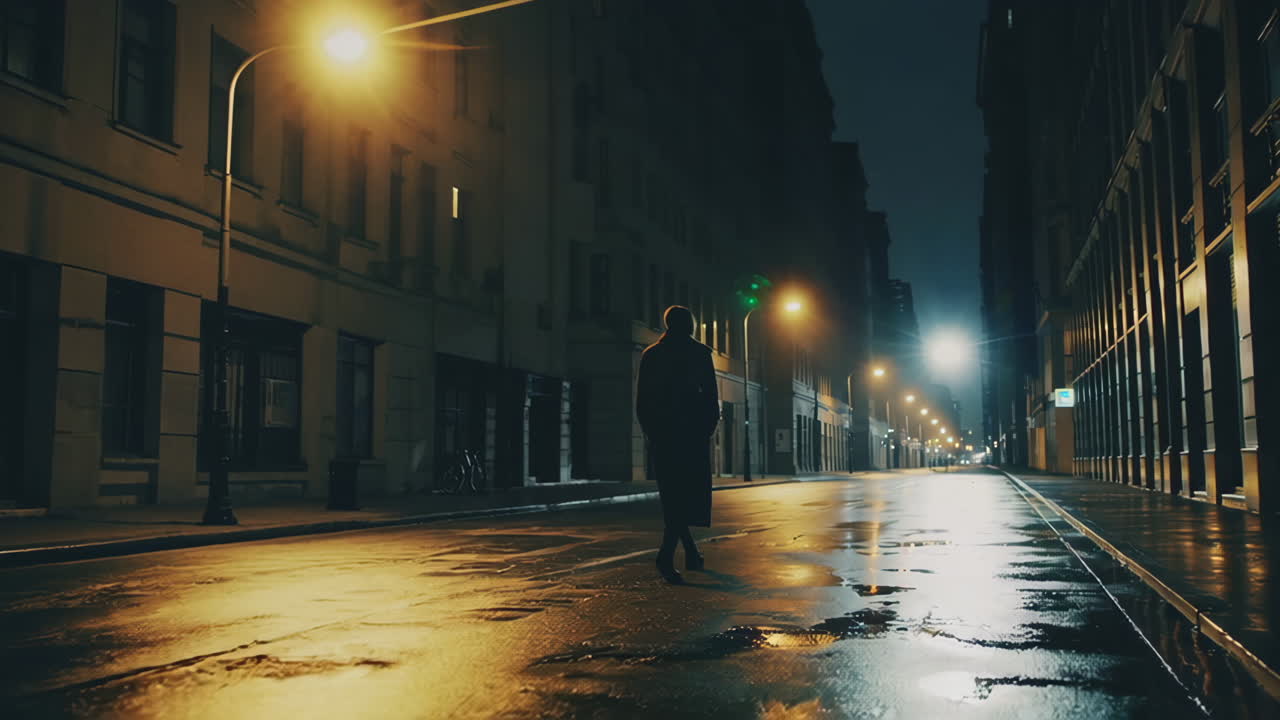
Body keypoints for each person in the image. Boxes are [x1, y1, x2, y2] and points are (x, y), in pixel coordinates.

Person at [635, 305, 721, 584]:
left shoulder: (652, 355)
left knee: (673, 497)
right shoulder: (699, 354)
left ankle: (690, 552)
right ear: (688, 325)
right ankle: (666, 555)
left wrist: (652, 433)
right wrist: (706, 430)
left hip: (664, 435)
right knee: (684, 497)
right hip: (691, 436)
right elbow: (711, 398)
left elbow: (643, 402)